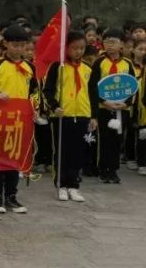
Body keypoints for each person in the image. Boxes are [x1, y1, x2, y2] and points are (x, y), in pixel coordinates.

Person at [0, 25, 35, 213]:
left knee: (14, 159)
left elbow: (35, 92)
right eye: (15, 45)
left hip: (20, 121)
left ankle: (12, 195)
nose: (18, 49)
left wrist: (35, 105)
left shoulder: (29, 67)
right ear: (6, 44)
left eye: (22, 46)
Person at [43, 31, 92, 202]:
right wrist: (54, 106)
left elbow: (92, 93)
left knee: (78, 152)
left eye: (81, 48)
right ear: (66, 48)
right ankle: (61, 185)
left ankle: (74, 185)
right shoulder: (58, 66)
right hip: (62, 116)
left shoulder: (87, 69)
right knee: (62, 152)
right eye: (74, 48)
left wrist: (93, 117)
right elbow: (47, 90)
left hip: (83, 115)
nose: (78, 51)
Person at [88, 28, 136, 184]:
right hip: (104, 108)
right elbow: (93, 87)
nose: (109, 45)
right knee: (104, 140)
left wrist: (125, 103)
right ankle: (103, 169)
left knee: (117, 140)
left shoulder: (128, 64)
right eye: (107, 41)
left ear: (122, 44)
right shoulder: (99, 62)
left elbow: (133, 87)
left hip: (122, 109)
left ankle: (113, 170)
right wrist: (103, 102)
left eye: (113, 42)